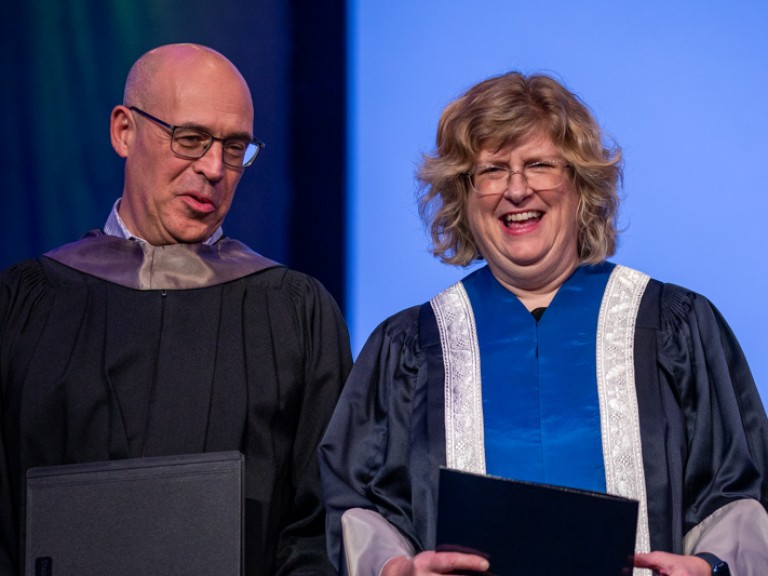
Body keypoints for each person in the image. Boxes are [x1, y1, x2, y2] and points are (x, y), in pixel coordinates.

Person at [318, 71, 768, 576]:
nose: (516, 190)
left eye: (539, 165)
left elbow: (738, 495)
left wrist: (709, 568)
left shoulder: (673, 328)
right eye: (491, 170)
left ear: (580, 185)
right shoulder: (411, 349)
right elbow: (357, 506)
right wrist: (395, 570)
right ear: (462, 196)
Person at [0, 43, 352, 576]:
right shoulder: (24, 307)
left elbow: (318, 527)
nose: (213, 168)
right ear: (124, 131)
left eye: (234, 148)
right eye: (190, 139)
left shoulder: (294, 314)